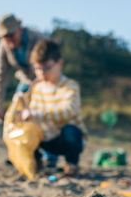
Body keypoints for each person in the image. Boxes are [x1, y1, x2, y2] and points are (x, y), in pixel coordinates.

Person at [0, 13, 58, 166]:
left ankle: (50, 157)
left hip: (45, 81)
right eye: (3, 36)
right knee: (17, 116)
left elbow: (52, 64)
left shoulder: (39, 39)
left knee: (42, 116)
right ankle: (23, 153)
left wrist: (43, 82)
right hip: (25, 81)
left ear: (20, 29)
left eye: (10, 35)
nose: (7, 39)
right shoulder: (3, 46)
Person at [20, 39, 87, 177]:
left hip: (65, 139)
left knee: (71, 131)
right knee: (26, 130)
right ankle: (36, 162)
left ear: (60, 63)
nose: (42, 73)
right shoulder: (37, 88)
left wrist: (37, 114)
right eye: (37, 68)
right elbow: (32, 114)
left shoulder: (70, 86)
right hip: (46, 138)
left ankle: (72, 164)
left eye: (47, 67)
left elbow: (67, 112)